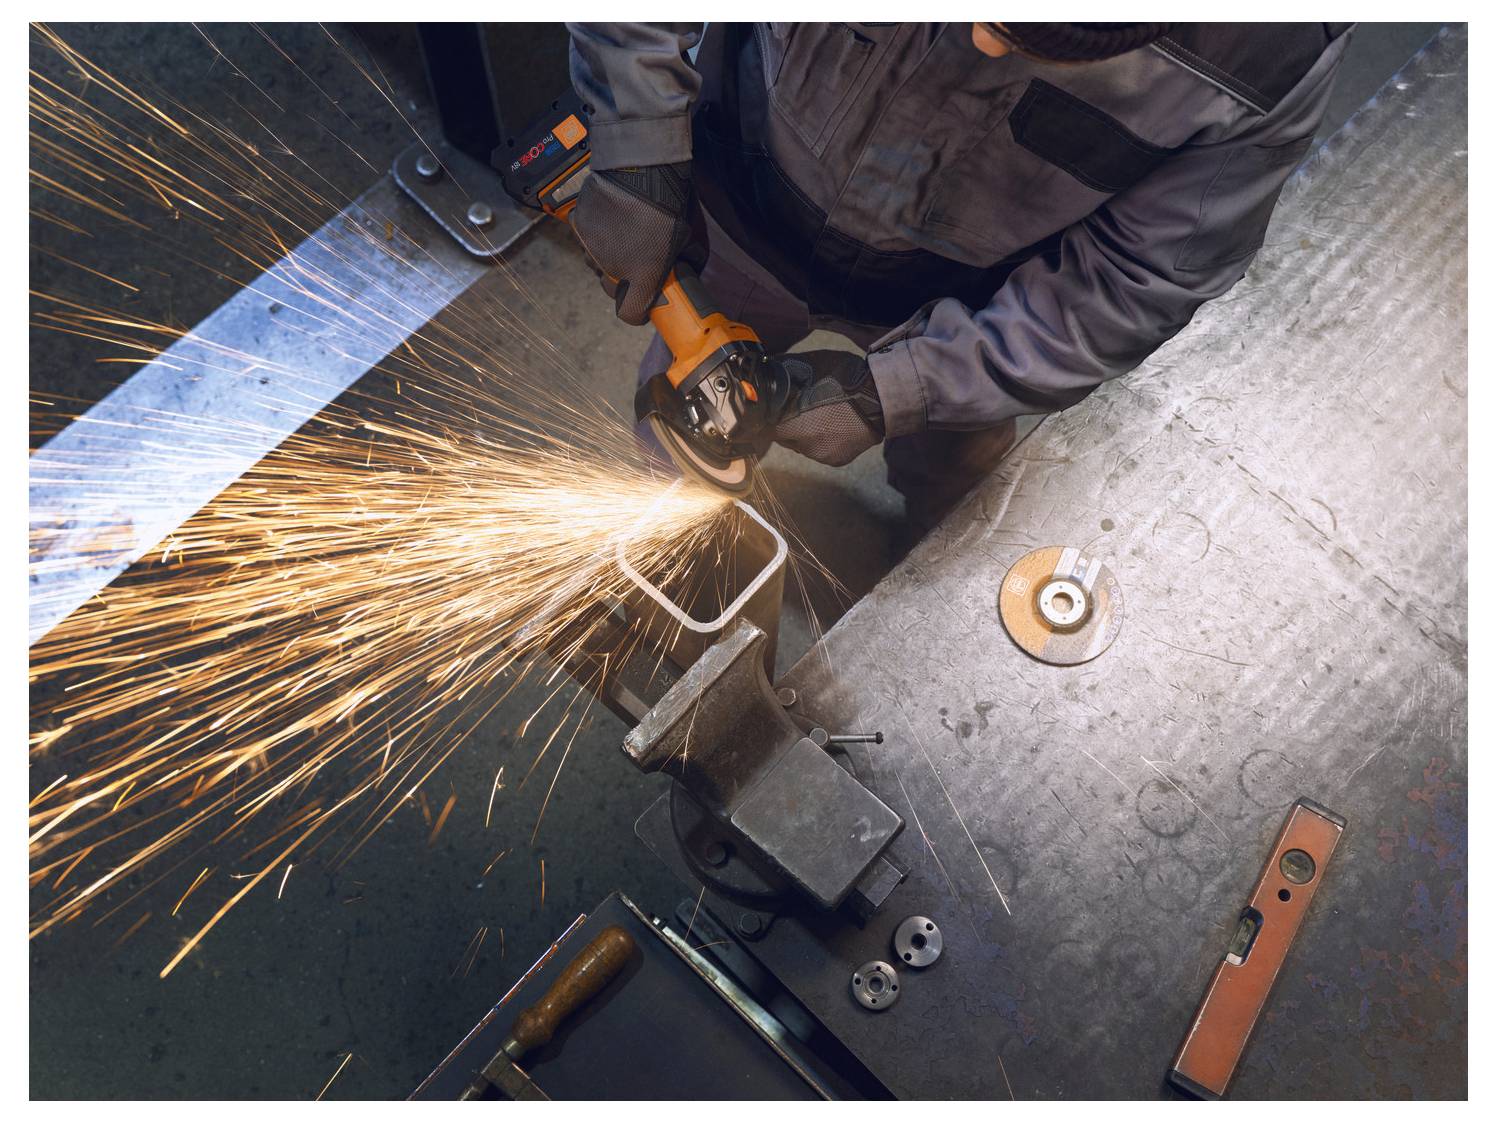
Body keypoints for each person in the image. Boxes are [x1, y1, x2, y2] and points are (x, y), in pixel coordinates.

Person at [568, 22, 1352, 526]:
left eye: (1027, 38)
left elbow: (1134, 278)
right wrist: (635, 135)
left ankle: (933, 569)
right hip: (744, 199)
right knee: (677, 423)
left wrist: (907, 389)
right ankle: (668, 528)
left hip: (965, 308)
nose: (977, 43)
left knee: (960, 496)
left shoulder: (1267, 45)